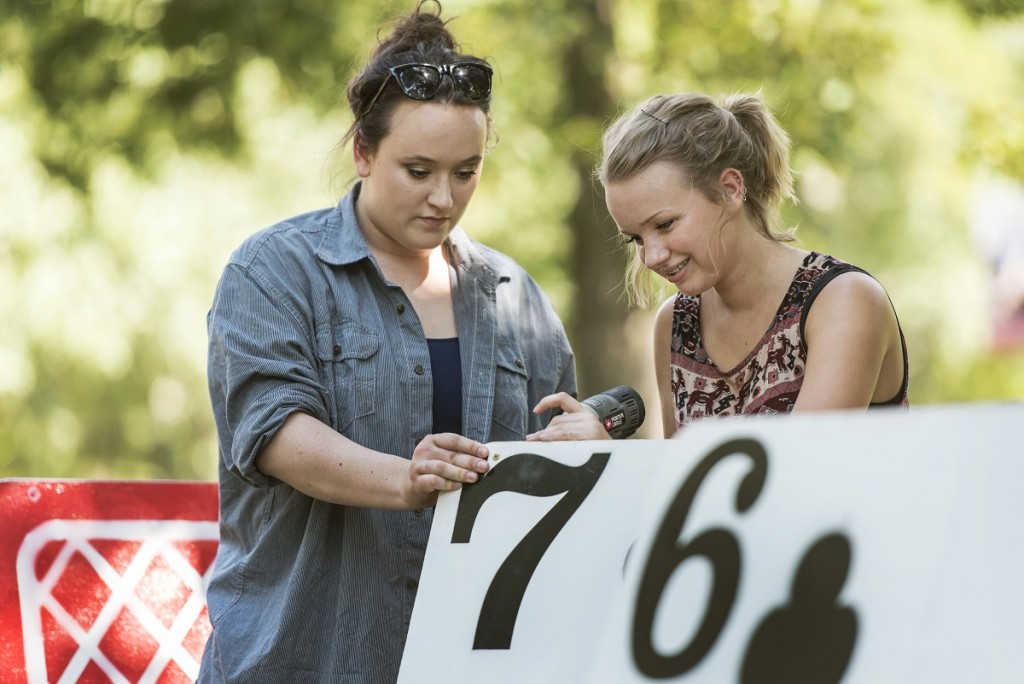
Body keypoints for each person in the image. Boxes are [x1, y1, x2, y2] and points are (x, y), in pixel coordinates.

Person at [197, 2, 576, 681]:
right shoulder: (273, 271)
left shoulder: (515, 295)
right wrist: (406, 480)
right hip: (304, 657)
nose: (444, 198)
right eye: (419, 170)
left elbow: (554, 475)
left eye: (466, 172)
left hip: (470, 663)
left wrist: (585, 446)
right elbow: (276, 435)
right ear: (363, 153)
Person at [527, 91, 907, 441]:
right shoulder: (675, 324)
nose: (652, 256)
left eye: (665, 224)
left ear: (730, 188)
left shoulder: (843, 301)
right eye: (636, 238)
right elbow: (685, 491)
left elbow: (803, 477)